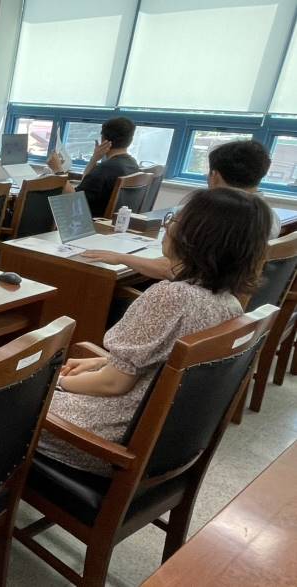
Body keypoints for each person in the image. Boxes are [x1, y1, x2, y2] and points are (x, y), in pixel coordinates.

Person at [40, 187, 271, 474]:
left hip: (103, 436)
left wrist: (55, 382)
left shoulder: (170, 297)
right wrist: (99, 362)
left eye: (175, 220)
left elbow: (114, 384)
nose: (168, 227)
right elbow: (158, 363)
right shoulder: (230, 304)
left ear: (194, 236)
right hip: (154, 440)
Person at [83, 140, 283, 279]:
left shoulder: (218, 217)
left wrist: (120, 257)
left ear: (215, 176)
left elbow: (173, 269)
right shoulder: (269, 216)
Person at [47, 117, 139, 217]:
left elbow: (74, 200)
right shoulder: (132, 164)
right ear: (130, 139)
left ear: (103, 139)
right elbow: (85, 185)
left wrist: (58, 171)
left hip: (87, 223)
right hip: (110, 224)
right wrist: (94, 159)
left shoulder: (105, 169)